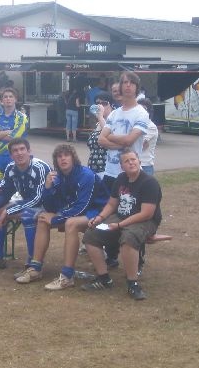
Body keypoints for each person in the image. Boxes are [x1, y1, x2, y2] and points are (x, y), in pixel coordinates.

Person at [15, 144, 110, 289]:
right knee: (42, 219)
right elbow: (51, 207)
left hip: (98, 212)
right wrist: (47, 188)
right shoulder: (58, 176)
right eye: (59, 156)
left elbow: (82, 206)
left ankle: (67, 276)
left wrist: (57, 218)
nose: (63, 159)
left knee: (70, 223)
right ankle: (35, 268)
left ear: (73, 158)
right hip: (76, 212)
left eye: (66, 155)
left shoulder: (86, 175)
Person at [82, 149, 162, 301]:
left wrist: (119, 225)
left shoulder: (149, 182)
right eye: (127, 161)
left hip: (145, 221)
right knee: (90, 235)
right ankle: (104, 279)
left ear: (139, 161)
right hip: (121, 216)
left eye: (133, 159)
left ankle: (133, 284)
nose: (131, 163)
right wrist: (99, 218)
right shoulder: (120, 179)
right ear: (121, 166)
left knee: (129, 237)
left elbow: (147, 213)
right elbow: (112, 204)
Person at [98, 72, 151, 267]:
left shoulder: (141, 113)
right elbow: (100, 139)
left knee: (132, 217)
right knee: (110, 215)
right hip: (111, 172)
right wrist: (121, 143)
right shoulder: (114, 113)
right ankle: (111, 255)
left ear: (137, 87)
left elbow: (130, 140)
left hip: (131, 174)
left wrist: (112, 139)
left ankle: (138, 259)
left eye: (131, 83)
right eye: (124, 83)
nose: (127, 86)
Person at [0, 138, 51, 272]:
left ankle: (32, 262)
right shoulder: (11, 168)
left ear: (29, 151)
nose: (19, 153)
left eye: (22, 149)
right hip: (29, 203)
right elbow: (4, 193)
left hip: (49, 205)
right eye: (15, 151)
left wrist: (9, 210)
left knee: (28, 215)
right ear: (11, 155)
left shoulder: (40, 167)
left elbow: (38, 199)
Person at [0, 87, 28, 198]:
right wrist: (8, 131)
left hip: (15, 157)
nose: (8, 99)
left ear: (15, 99)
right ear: (1, 101)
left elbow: (14, 138)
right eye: (5, 97)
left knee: (16, 189)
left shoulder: (22, 117)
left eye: (11, 96)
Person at [86, 92, 113, 174]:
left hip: (106, 169)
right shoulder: (98, 123)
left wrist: (100, 117)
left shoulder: (114, 120)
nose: (100, 106)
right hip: (93, 169)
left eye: (104, 103)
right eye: (97, 103)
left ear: (111, 105)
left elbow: (109, 135)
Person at [136, 97, 159, 176]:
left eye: (144, 109)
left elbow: (140, 145)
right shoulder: (135, 124)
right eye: (138, 109)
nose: (140, 112)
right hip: (133, 164)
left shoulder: (150, 126)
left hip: (144, 166)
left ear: (149, 111)